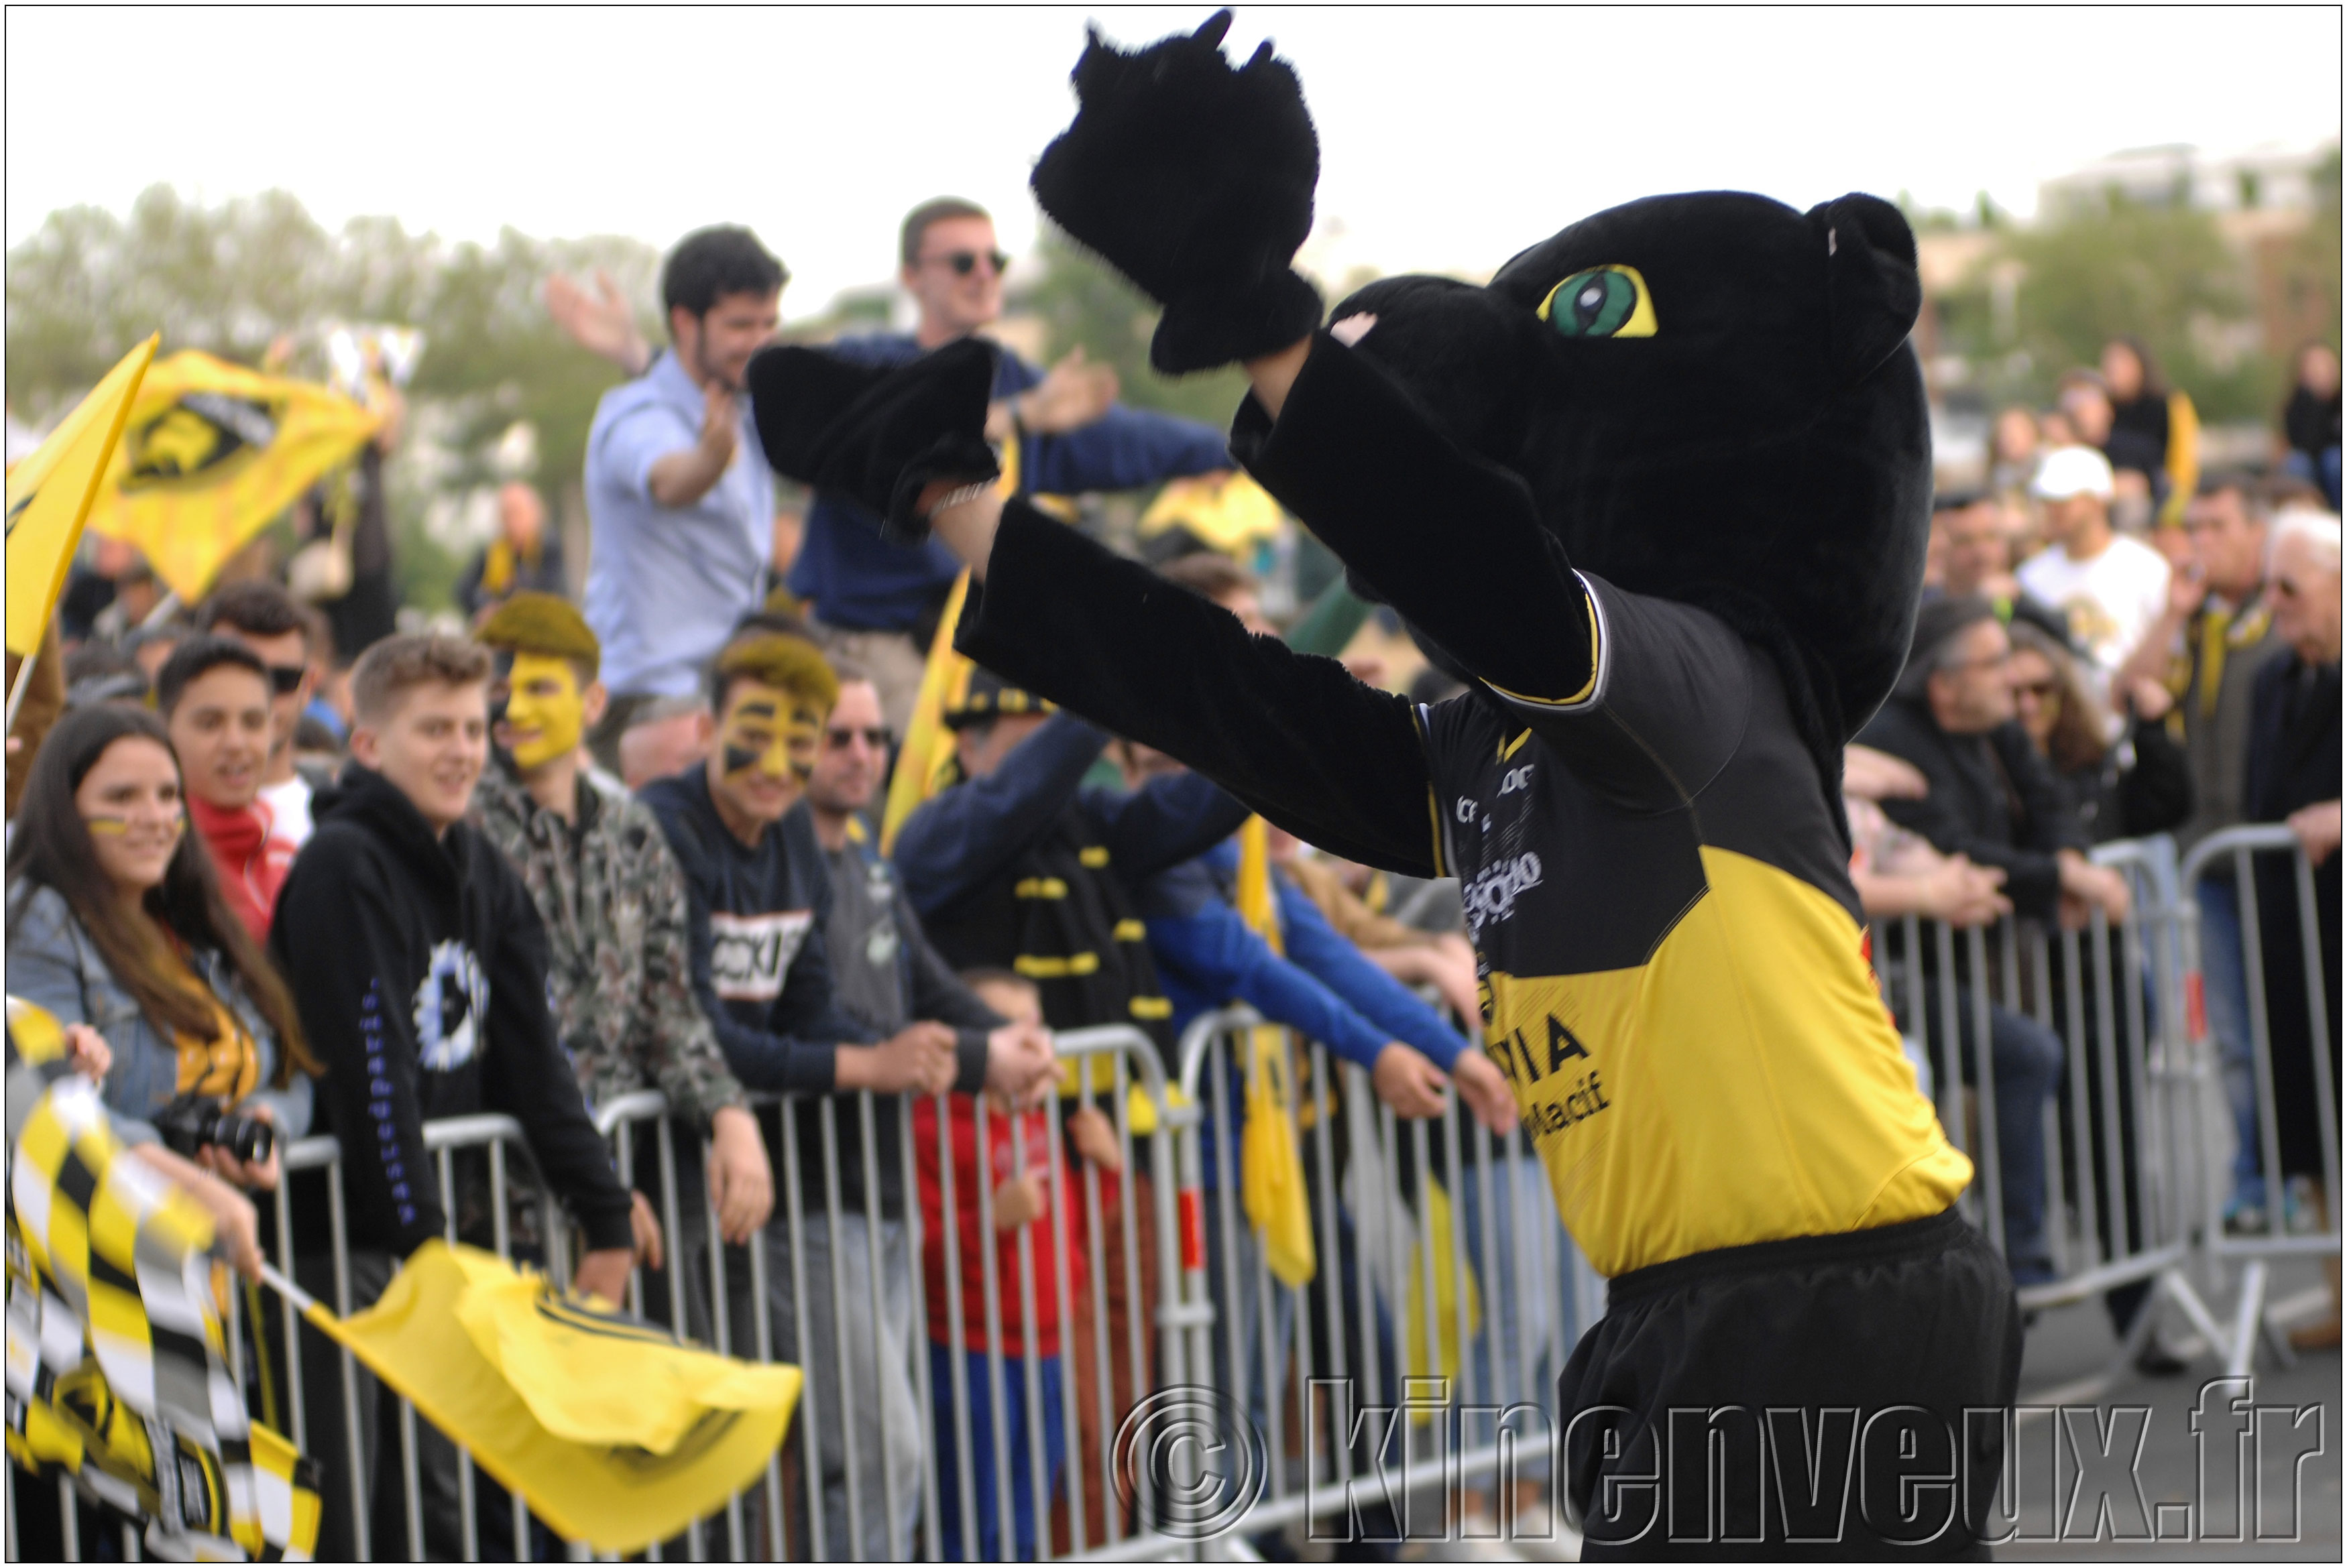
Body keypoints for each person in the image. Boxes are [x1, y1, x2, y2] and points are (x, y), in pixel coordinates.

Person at [270, 633, 641, 1561]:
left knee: (466, 1514)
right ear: (368, 745)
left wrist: (606, 1216)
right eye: (434, 728)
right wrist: (425, 1249)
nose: (462, 749)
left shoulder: (484, 864)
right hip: (345, 1253)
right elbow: (371, 1074)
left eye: (476, 727)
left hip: (439, 1252)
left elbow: (536, 1061)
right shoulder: (342, 867)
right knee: (368, 1521)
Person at [638, 629, 978, 1561]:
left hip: (743, 1190)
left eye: (804, 737)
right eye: (757, 731)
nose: (781, 763)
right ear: (707, 724)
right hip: (653, 1187)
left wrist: (903, 1050)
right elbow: (687, 1026)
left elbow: (807, 1004)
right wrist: (867, 1066)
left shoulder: (793, 829)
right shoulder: (660, 827)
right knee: (729, 1459)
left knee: (794, 1456)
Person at [790, 656, 1062, 1560]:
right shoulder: (777, 859)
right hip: (812, 1198)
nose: (863, 753)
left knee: (885, 1463)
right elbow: (831, 1014)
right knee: (883, 1456)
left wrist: (1011, 1042)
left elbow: (927, 983)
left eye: (875, 735)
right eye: (840, 736)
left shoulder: (867, 857)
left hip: (880, 1191)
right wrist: (987, 1055)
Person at [783, 198, 1233, 730]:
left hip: (968, 643)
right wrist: (1015, 416)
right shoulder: (866, 362)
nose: (982, 275)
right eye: (961, 262)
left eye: (993, 262)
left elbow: (1123, 439)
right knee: (937, 790)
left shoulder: (1009, 375)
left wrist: (1239, 449)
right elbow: (891, 435)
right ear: (911, 277)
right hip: (876, 647)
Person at [469, 593, 775, 1285]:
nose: (513, 710)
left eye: (539, 688)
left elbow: (667, 1003)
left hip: (613, 1195)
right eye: (498, 690)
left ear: (593, 702)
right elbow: (494, 1038)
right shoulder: (462, 833)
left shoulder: (631, 830)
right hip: (495, 1204)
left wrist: (728, 1111)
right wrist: (593, 1186)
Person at [1854, 597, 2126, 1284]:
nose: (2012, 678)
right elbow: (1947, 848)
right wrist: (2059, 876)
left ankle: (2122, 1263)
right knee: (2025, 1056)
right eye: (1994, 662)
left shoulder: (1995, 723)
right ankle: (2016, 1264)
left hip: (2006, 950)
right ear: (1943, 682)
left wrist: (2066, 867)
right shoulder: (1889, 737)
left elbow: (2049, 804)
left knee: (2103, 1037)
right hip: (1904, 969)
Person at [7, 704, 312, 1165]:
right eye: (122, 797)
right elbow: (44, 1108)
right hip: (121, 1229)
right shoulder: (39, 918)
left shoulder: (195, 921)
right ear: (65, 810)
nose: (155, 817)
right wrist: (171, 1176)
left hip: (230, 1226)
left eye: (169, 794)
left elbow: (293, 1070)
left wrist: (266, 1122)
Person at [581, 226, 787, 769]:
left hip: (726, 692)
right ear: (684, 322)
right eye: (741, 325)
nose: (759, 341)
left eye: (769, 324)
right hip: (647, 702)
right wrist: (709, 460)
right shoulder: (634, 412)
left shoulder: (745, 407)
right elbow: (671, 480)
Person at [913, 968, 1088, 1563]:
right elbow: (921, 1252)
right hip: (970, 1348)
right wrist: (989, 1221)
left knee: (1027, 1512)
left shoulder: (1038, 1112)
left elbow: (1071, 1228)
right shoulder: (932, 1124)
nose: (1030, 1045)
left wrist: (1106, 1168)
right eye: (1011, 1030)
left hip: (1045, 1343)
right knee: (971, 1522)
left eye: (1036, 1028)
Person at [2245, 511, 2342, 1347]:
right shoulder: (2271, 682)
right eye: (2268, 583)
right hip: (2290, 931)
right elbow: (2260, 801)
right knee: (2309, 1111)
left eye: (2291, 586)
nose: (2273, 602)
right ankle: (2336, 1291)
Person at [156, 635, 296, 941]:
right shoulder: (150, 868)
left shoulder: (290, 863)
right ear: (164, 730)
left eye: (253, 723)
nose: (235, 743)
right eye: (210, 724)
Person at [2006, 618, 2191, 843]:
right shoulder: (1988, 777)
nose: (2028, 705)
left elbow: (2161, 808)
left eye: (2041, 689)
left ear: (2062, 692)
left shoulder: (2088, 767)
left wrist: (2151, 731)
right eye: (2013, 693)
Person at [2017, 444, 2171, 687]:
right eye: (2047, 501)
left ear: (2098, 502)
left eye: (2064, 501)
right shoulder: (2031, 576)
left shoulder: (2146, 568)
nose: (2052, 510)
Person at [200, 580, 327, 848]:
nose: (260, 699)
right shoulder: (163, 822)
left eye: (282, 679)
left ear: (309, 686)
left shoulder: (338, 821)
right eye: (238, 676)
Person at [2100, 336, 2199, 526]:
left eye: (2121, 361)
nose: (2112, 369)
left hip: (2157, 495)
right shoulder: (2103, 409)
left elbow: (2183, 463)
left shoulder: (2168, 403)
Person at [456, 481, 567, 623]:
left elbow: (551, 591)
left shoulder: (548, 548)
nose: (512, 522)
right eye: (506, 514)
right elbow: (464, 590)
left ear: (534, 514)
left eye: (518, 513)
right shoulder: (493, 552)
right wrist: (484, 607)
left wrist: (509, 602)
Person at [2279, 343, 2343, 509]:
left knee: (2334, 459)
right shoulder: (2297, 405)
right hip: (2310, 466)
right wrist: (2315, 401)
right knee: (2296, 463)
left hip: (2334, 465)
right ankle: (2304, 513)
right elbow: (2303, 443)